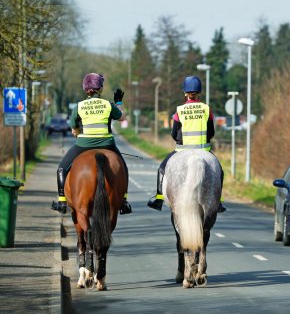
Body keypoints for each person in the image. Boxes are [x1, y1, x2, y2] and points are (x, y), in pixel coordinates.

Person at [51, 73, 132, 215]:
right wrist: (118, 102)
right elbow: (122, 117)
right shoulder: (108, 104)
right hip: (107, 144)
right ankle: (124, 201)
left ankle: (62, 201)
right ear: (100, 88)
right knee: (123, 168)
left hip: (83, 145)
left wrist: (77, 132)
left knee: (62, 168)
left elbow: (73, 127)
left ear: (85, 89)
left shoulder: (80, 106)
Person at [147, 75, 226, 213]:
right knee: (219, 171)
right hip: (204, 149)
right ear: (199, 92)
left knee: (162, 168)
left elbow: (174, 134)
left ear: (185, 92)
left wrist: (182, 140)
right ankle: (218, 201)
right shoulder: (206, 109)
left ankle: (159, 197)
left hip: (182, 150)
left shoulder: (180, 110)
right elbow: (211, 132)